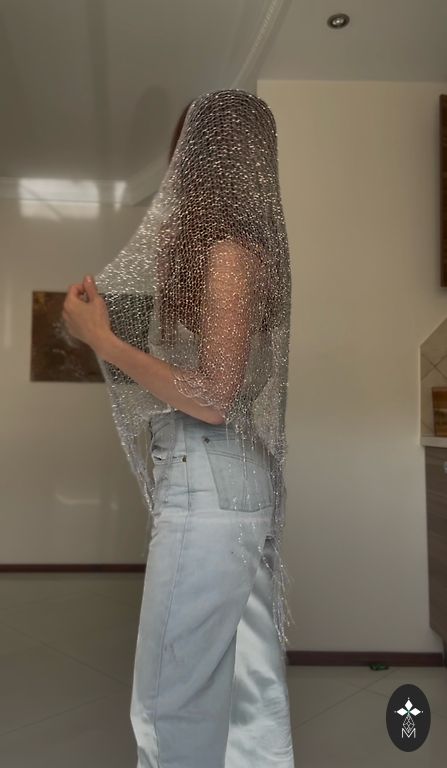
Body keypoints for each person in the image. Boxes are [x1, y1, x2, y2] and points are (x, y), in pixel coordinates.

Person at [63, 88, 295, 768]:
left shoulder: (226, 252)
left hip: (212, 478)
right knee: (245, 694)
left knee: (172, 701)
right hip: (230, 481)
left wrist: (103, 341)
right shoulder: (234, 252)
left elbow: (211, 397)